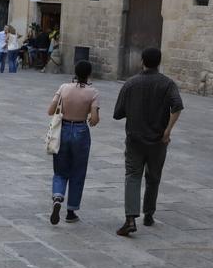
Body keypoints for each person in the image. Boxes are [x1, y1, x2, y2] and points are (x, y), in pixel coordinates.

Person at [113, 47, 184, 236]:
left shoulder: (130, 83)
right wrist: (167, 131)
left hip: (135, 139)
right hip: (158, 140)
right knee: (153, 177)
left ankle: (130, 219)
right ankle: (149, 214)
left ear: (142, 61)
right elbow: (177, 106)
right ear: (159, 62)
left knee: (132, 176)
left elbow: (118, 113)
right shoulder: (167, 84)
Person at [49, 61, 101, 225]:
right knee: (78, 171)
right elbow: (94, 119)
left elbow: (50, 110)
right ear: (89, 74)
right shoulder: (93, 93)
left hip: (63, 129)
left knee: (60, 169)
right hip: (81, 130)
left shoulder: (64, 87)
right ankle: (71, 211)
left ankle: (58, 196)